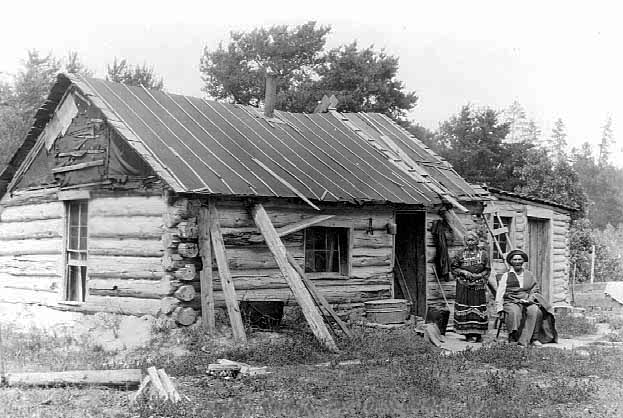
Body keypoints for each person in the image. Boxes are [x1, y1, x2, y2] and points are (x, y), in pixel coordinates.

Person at [495, 249, 558, 347]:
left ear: (523, 261)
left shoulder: (529, 274)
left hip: (527, 300)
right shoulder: (506, 275)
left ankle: (534, 338)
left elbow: (535, 289)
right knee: (514, 312)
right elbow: (500, 293)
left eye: (519, 259)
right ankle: (513, 337)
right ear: (511, 262)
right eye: (514, 260)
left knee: (536, 311)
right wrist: (499, 308)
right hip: (511, 301)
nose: (517, 262)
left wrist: (530, 299)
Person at [451, 231, 491, 342]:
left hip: (478, 285)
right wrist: (463, 272)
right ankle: (467, 334)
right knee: (465, 308)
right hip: (464, 285)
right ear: (465, 241)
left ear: (477, 241)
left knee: (478, 308)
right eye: (468, 240)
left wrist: (479, 275)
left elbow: (487, 269)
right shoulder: (460, 254)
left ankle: (478, 334)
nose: (470, 242)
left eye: (472, 240)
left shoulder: (483, 254)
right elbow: (454, 268)